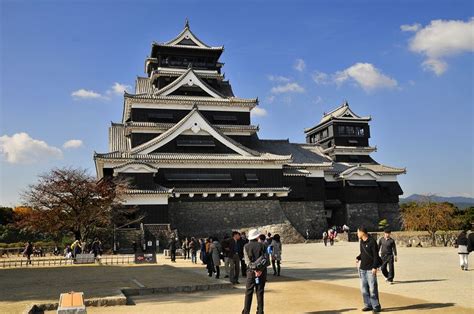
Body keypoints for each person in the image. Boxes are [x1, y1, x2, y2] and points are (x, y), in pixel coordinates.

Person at [356, 226, 382, 312]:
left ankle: (376, 306)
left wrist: (375, 267)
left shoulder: (372, 241)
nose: (357, 234)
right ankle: (368, 305)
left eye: (358, 232)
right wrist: (358, 257)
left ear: (362, 232)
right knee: (364, 289)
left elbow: (375, 256)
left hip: (371, 269)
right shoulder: (361, 242)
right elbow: (363, 253)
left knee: (372, 289)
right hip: (362, 269)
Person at [242, 229, 267, 314]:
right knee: (260, 292)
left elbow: (247, 262)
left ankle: (246, 311)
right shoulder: (263, 245)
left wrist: (254, 269)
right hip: (262, 272)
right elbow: (266, 260)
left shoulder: (246, 246)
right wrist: (259, 270)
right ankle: (260, 311)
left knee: (248, 292)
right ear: (257, 236)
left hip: (251, 272)